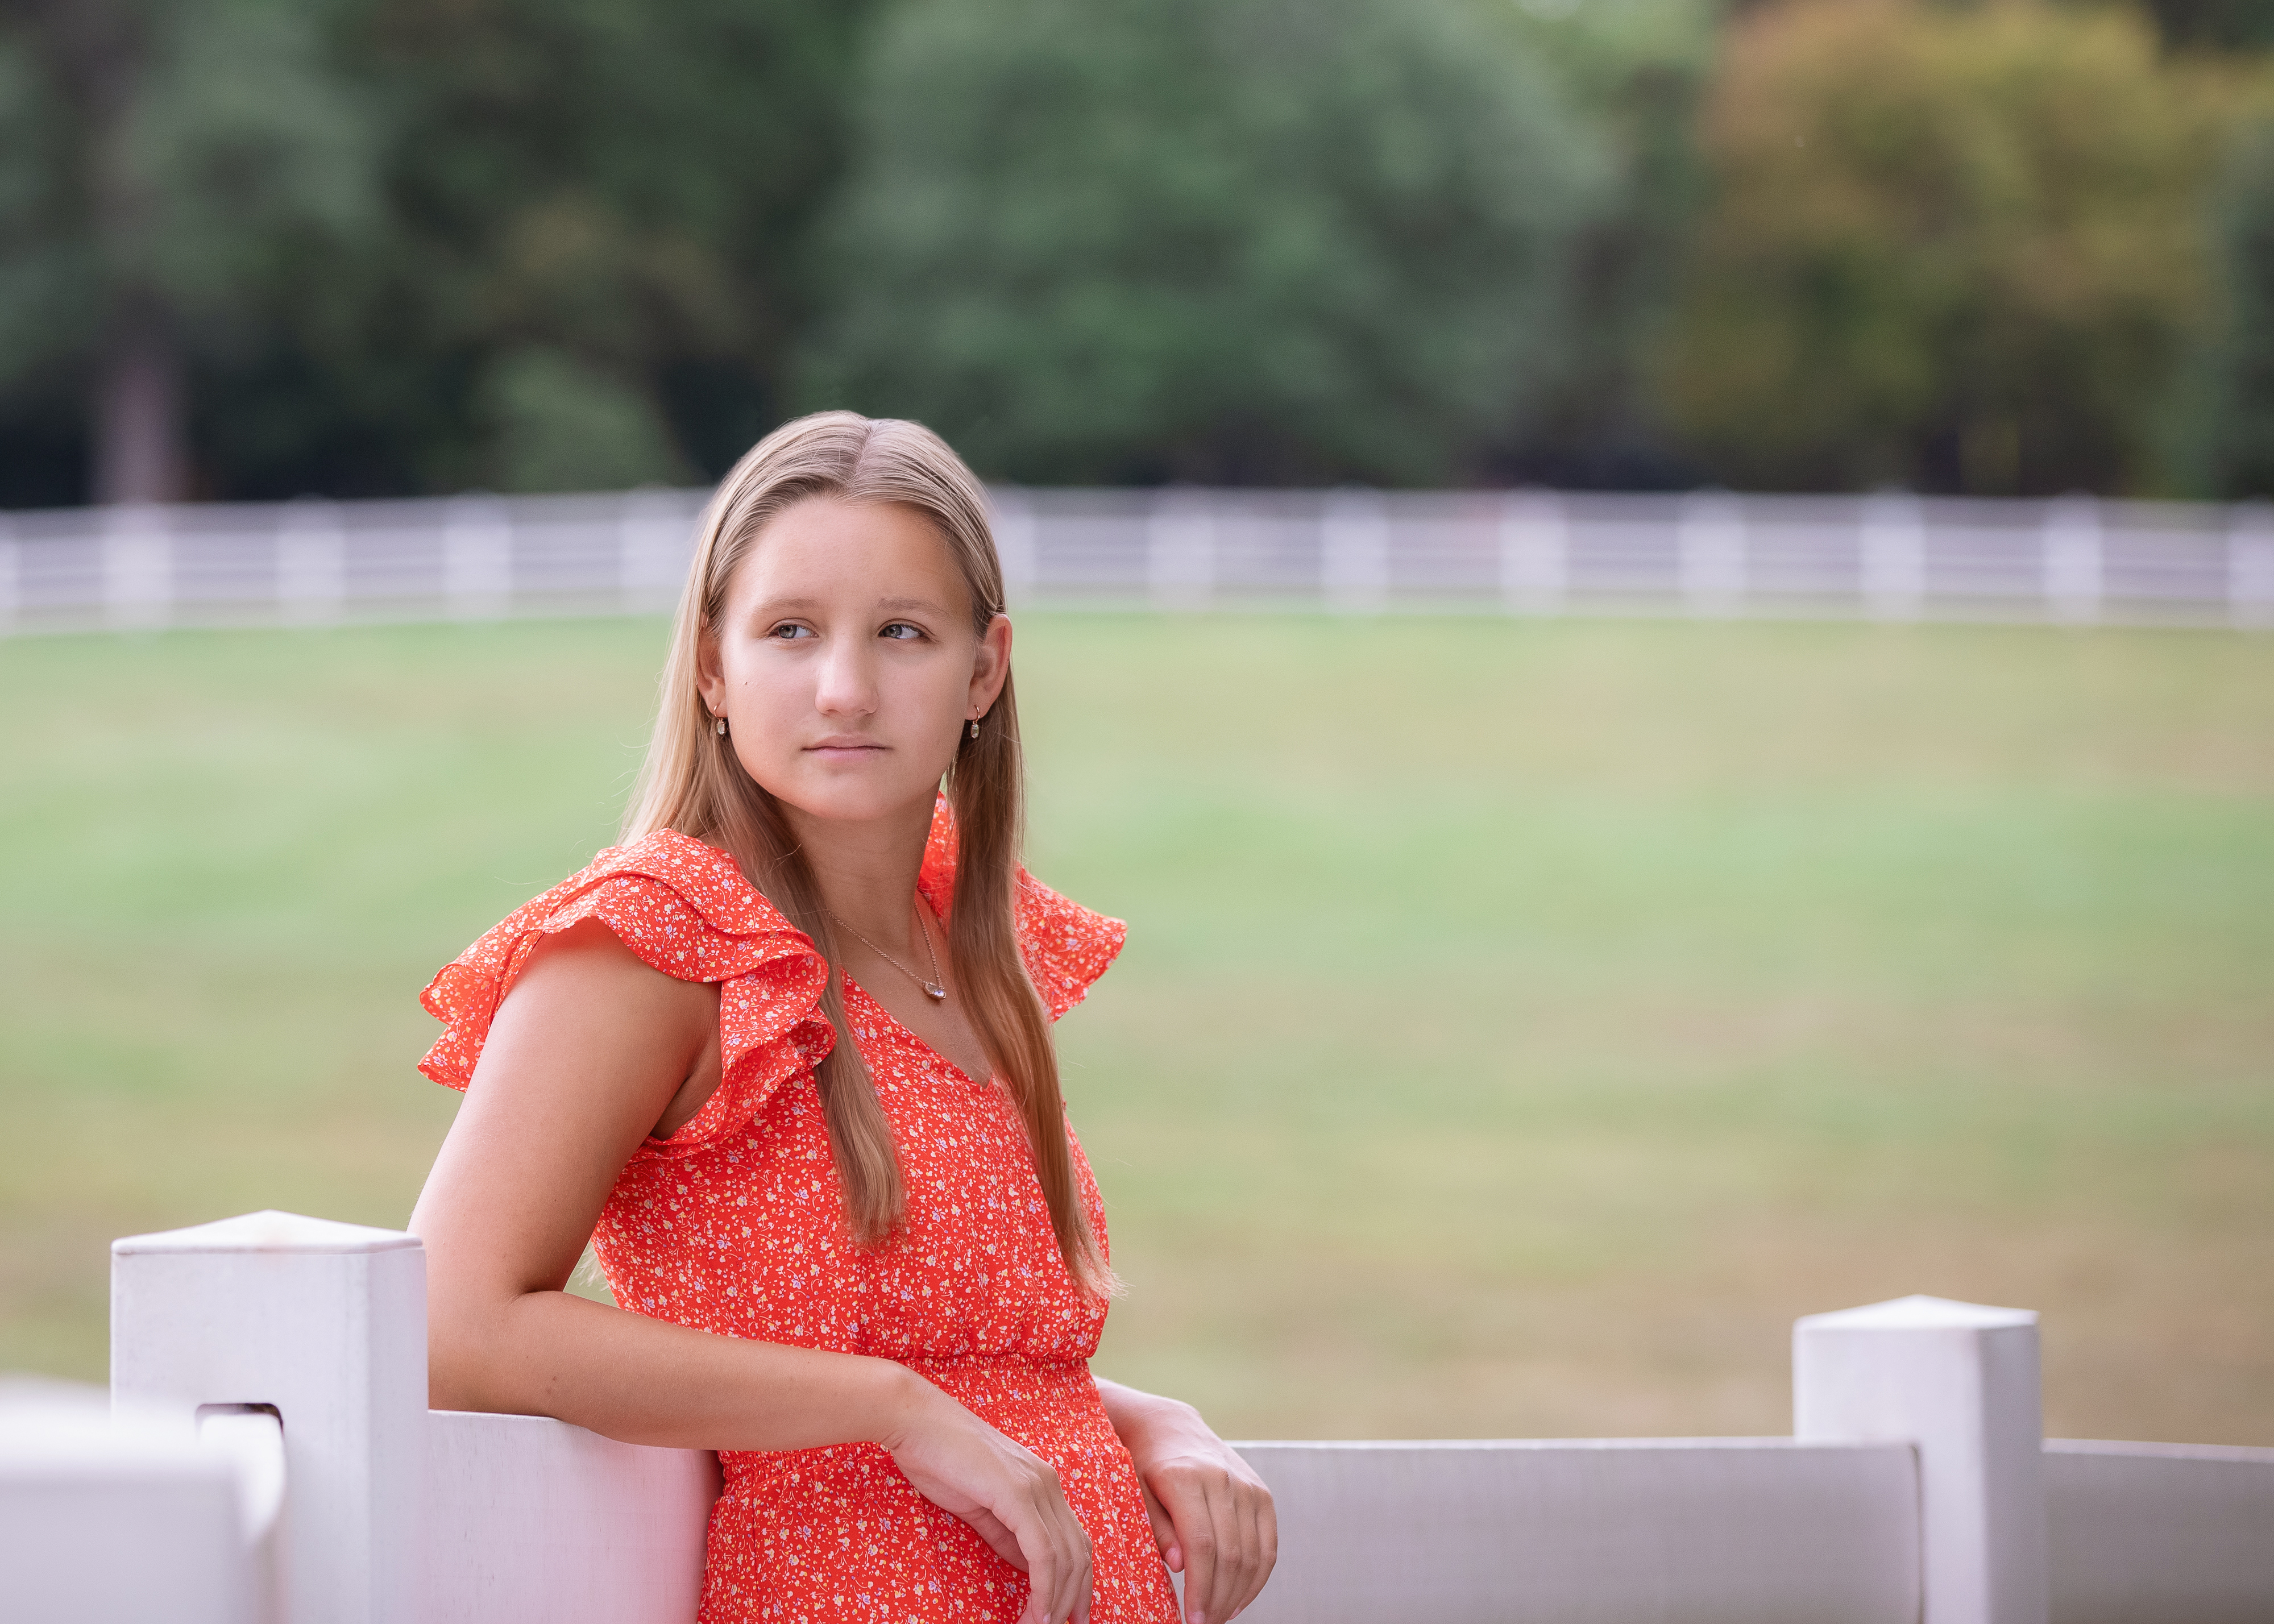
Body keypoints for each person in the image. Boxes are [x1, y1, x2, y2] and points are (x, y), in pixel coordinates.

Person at [407, 412, 1276, 1624]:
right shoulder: (656, 940)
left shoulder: (963, 940)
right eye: (790, 630)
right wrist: (884, 1407)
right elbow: (455, 1323)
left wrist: (1148, 1417)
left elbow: (967, 1353)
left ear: (985, 669)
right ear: (711, 664)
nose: (844, 688)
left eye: (903, 633)